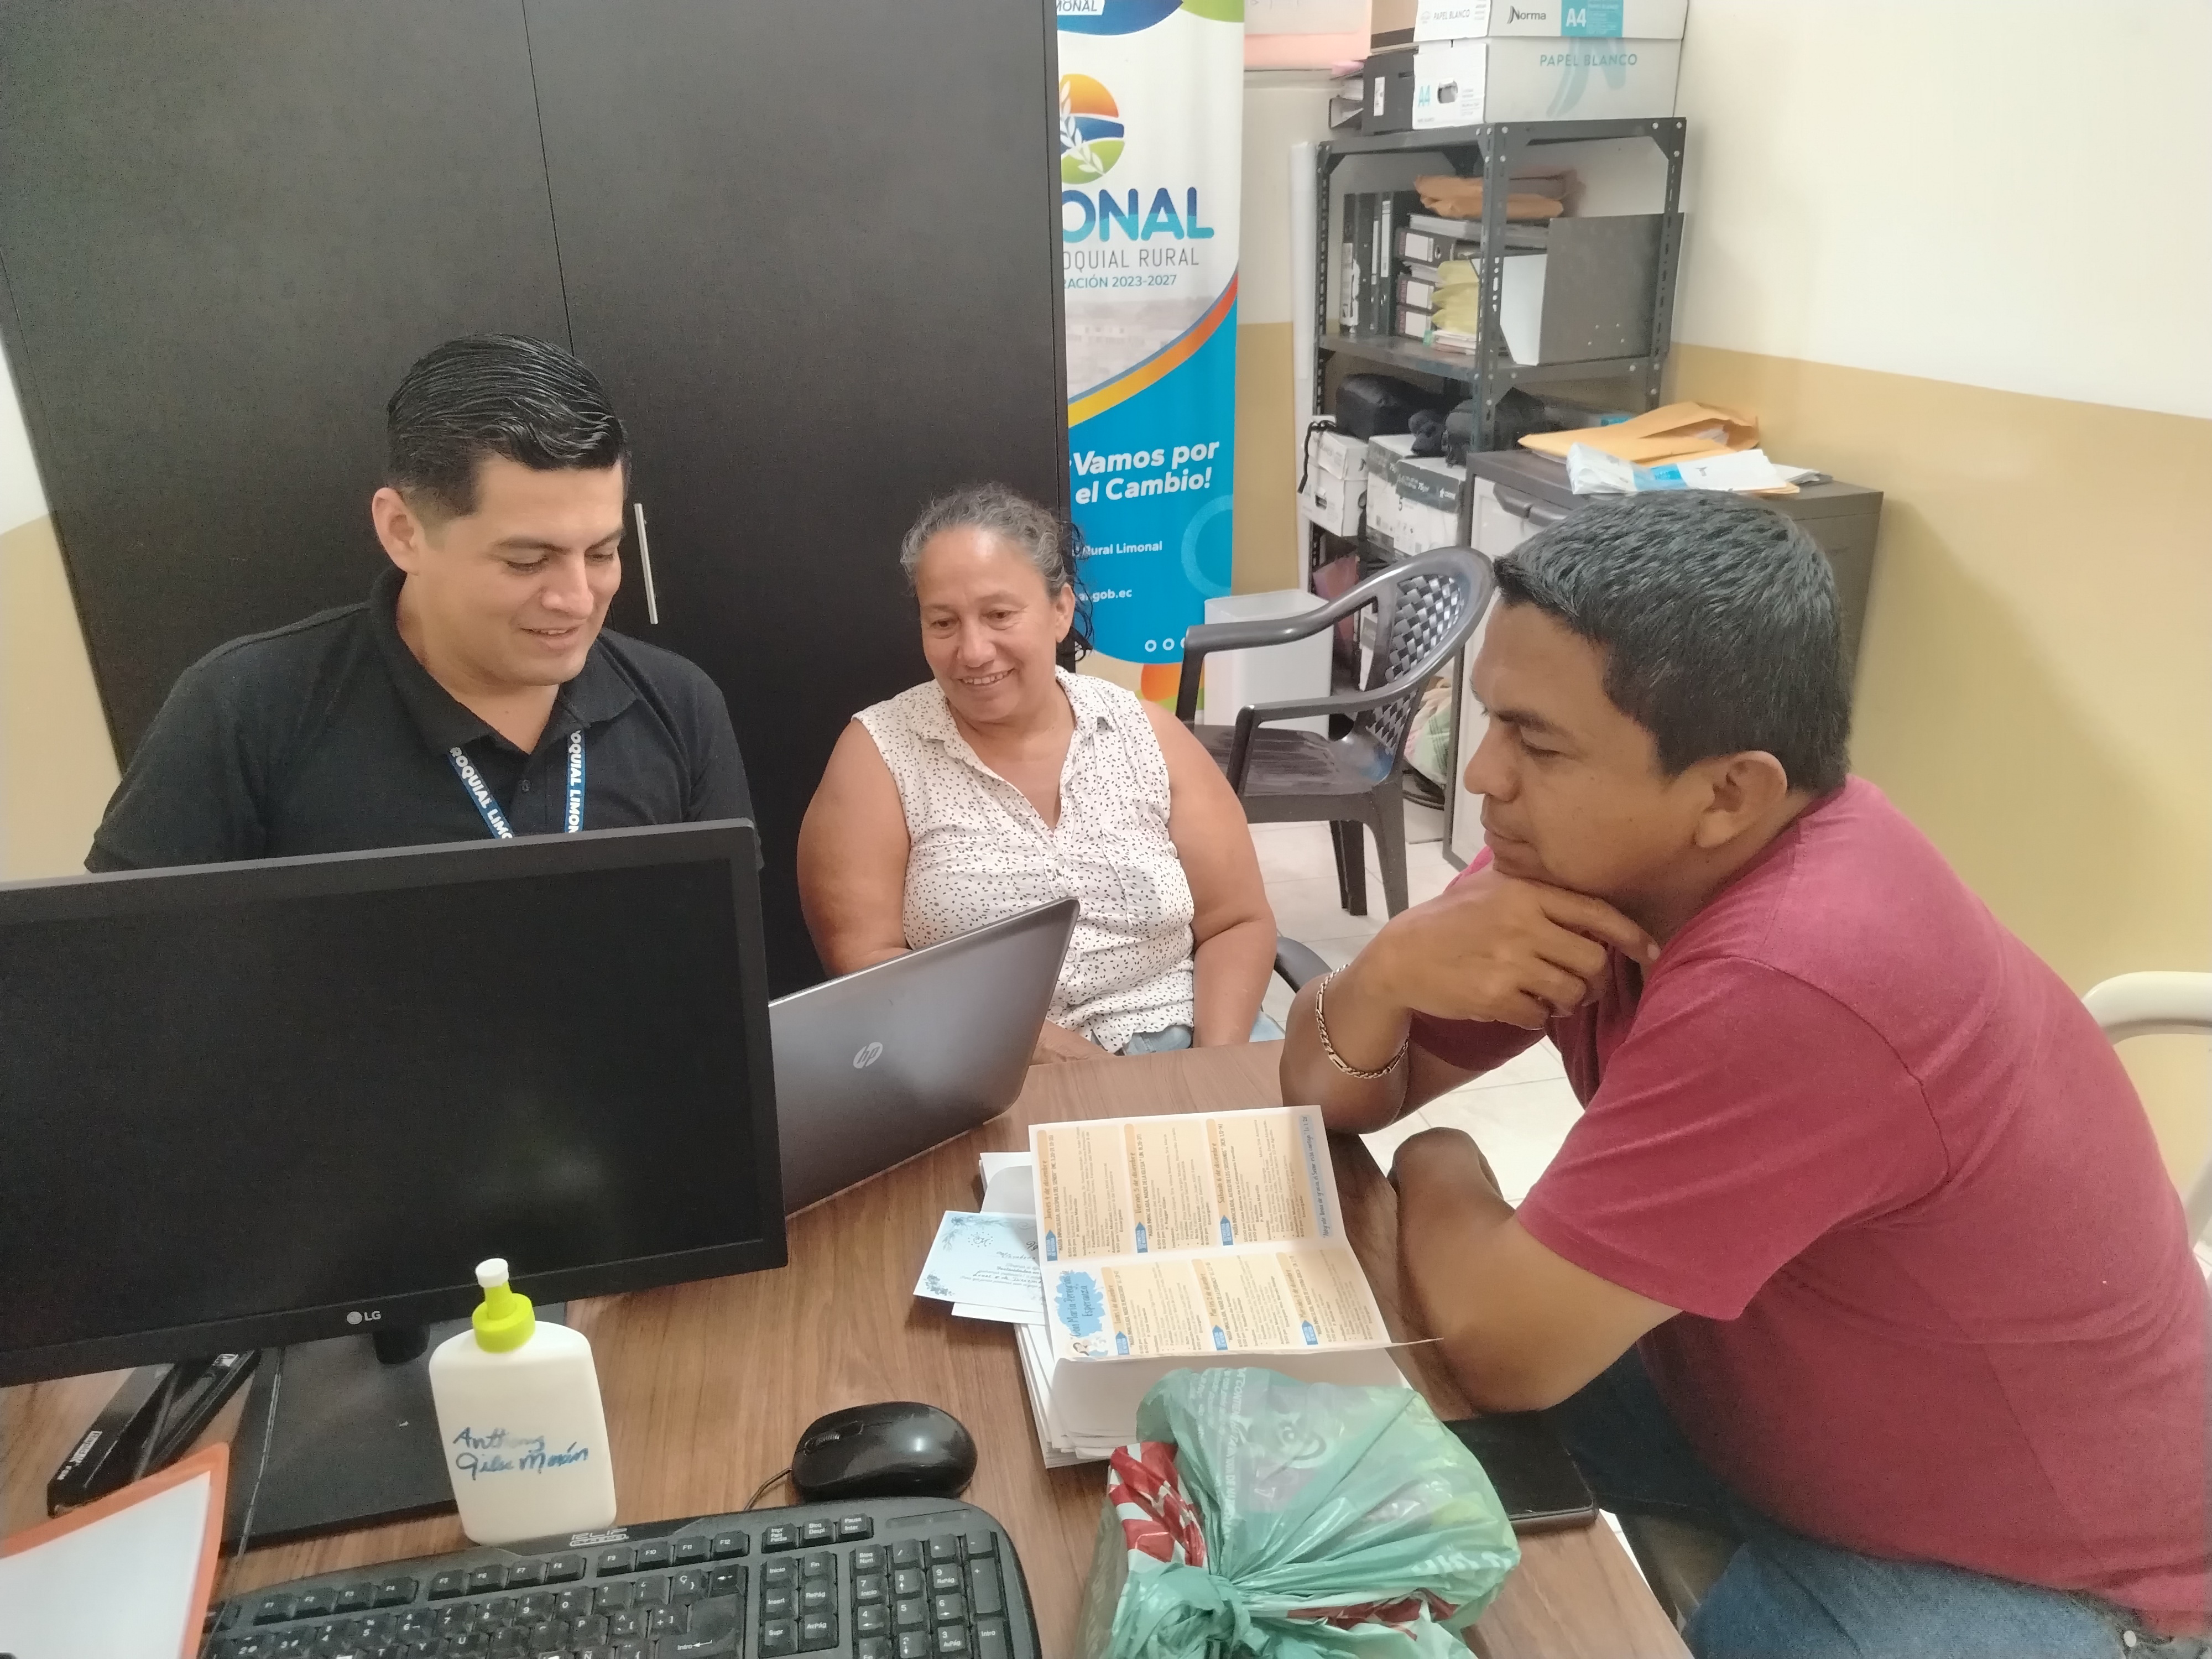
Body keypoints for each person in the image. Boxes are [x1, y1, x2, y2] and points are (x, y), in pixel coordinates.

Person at [1285, 492, 2210, 1657]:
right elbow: (1323, 1097)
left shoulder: (1799, 970)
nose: (1483, 776)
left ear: (1728, 793)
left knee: (1501, 1550)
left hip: (2032, 1557)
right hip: (1758, 1406)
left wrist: (1437, 1154)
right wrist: (1383, 975)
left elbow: (1506, 1345)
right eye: (1493, 722)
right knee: (1343, 1418)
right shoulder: (1594, 850)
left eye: (1537, 743)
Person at [87, 335, 749, 870]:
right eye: (526, 561)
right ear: (403, 532)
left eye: (601, 554)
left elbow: (719, 946)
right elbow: (125, 962)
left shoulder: (679, 704)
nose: (577, 600)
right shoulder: (246, 711)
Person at [798, 483, 1276, 1062]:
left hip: (1189, 1043)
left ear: (1060, 611)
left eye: (999, 615)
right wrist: (1070, 1063)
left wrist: (1214, 1068)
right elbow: (867, 961)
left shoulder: (1144, 733)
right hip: (989, 1070)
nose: (973, 650)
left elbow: (1236, 921)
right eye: (943, 623)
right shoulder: (880, 753)